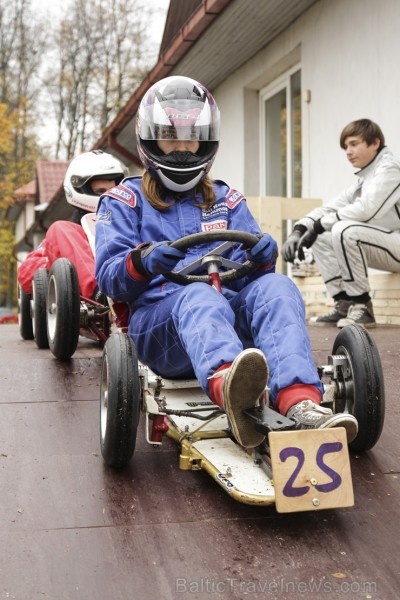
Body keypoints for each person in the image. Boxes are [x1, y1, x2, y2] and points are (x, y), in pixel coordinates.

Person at [95, 75, 357, 448]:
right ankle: (237, 397)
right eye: (171, 138)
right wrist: (144, 260)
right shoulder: (125, 201)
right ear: (150, 138)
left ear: (207, 140)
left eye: (191, 138)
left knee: (278, 287)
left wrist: (262, 258)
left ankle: (300, 403)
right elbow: (108, 278)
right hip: (160, 330)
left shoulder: (226, 199)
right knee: (200, 296)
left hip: (228, 320)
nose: (183, 149)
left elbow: (254, 279)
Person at [282, 118, 400, 328]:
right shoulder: (365, 179)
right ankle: (344, 304)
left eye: (354, 144)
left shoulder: (390, 170)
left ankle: (362, 305)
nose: (348, 151)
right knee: (323, 233)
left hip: (397, 243)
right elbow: (330, 208)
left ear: (375, 143)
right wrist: (299, 229)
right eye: (346, 146)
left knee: (344, 229)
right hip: (389, 246)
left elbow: (366, 209)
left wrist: (320, 225)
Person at [18, 150, 128, 302]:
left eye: (113, 190)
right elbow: (25, 275)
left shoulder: (129, 220)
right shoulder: (70, 233)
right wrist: (56, 261)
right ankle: (100, 292)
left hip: (135, 285)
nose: (109, 196)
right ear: (81, 190)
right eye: (101, 191)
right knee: (59, 227)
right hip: (101, 298)